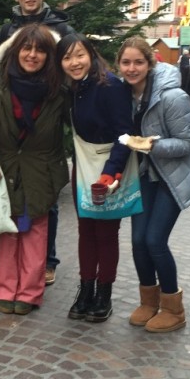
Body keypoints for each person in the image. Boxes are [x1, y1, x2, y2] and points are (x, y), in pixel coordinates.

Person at [0, 25, 68, 315]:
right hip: (5, 166)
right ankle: (4, 289)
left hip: (42, 168)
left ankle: (29, 293)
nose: (32, 55)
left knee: (35, 233)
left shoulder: (59, 86)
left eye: (40, 50)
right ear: (16, 50)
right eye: (26, 48)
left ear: (49, 55)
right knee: (6, 230)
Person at [117, 37, 190, 333]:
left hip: (173, 175)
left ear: (150, 64)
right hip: (146, 174)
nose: (132, 68)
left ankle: (173, 308)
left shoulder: (172, 96)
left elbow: (188, 142)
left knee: (155, 240)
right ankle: (148, 301)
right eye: (126, 62)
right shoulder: (122, 93)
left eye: (138, 62)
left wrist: (150, 145)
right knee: (137, 241)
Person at [0, 0, 74, 286]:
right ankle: (15, 262)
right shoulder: (7, 30)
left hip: (46, 115)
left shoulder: (61, 28)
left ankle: (47, 260)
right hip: (14, 120)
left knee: (46, 196)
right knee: (13, 198)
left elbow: (73, 65)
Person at [58, 33, 134, 323]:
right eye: (67, 57)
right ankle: (85, 289)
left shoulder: (110, 86)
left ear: (91, 54)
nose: (74, 62)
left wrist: (111, 171)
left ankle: (104, 293)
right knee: (86, 230)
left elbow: (124, 133)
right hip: (83, 166)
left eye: (80, 55)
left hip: (107, 170)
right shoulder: (72, 87)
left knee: (105, 233)